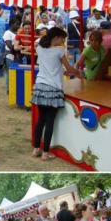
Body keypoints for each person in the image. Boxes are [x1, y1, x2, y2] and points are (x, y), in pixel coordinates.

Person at [31, 27, 83, 161]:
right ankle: (46, 152)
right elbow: (69, 68)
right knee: (50, 122)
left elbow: (51, 67)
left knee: (41, 120)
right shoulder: (59, 51)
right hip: (53, 88)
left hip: (40, 87)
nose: (63, 42)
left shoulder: (40, 49)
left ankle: (36, 148)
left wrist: (64, 72)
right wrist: (78, 73)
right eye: (62, 39)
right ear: (57, 37)